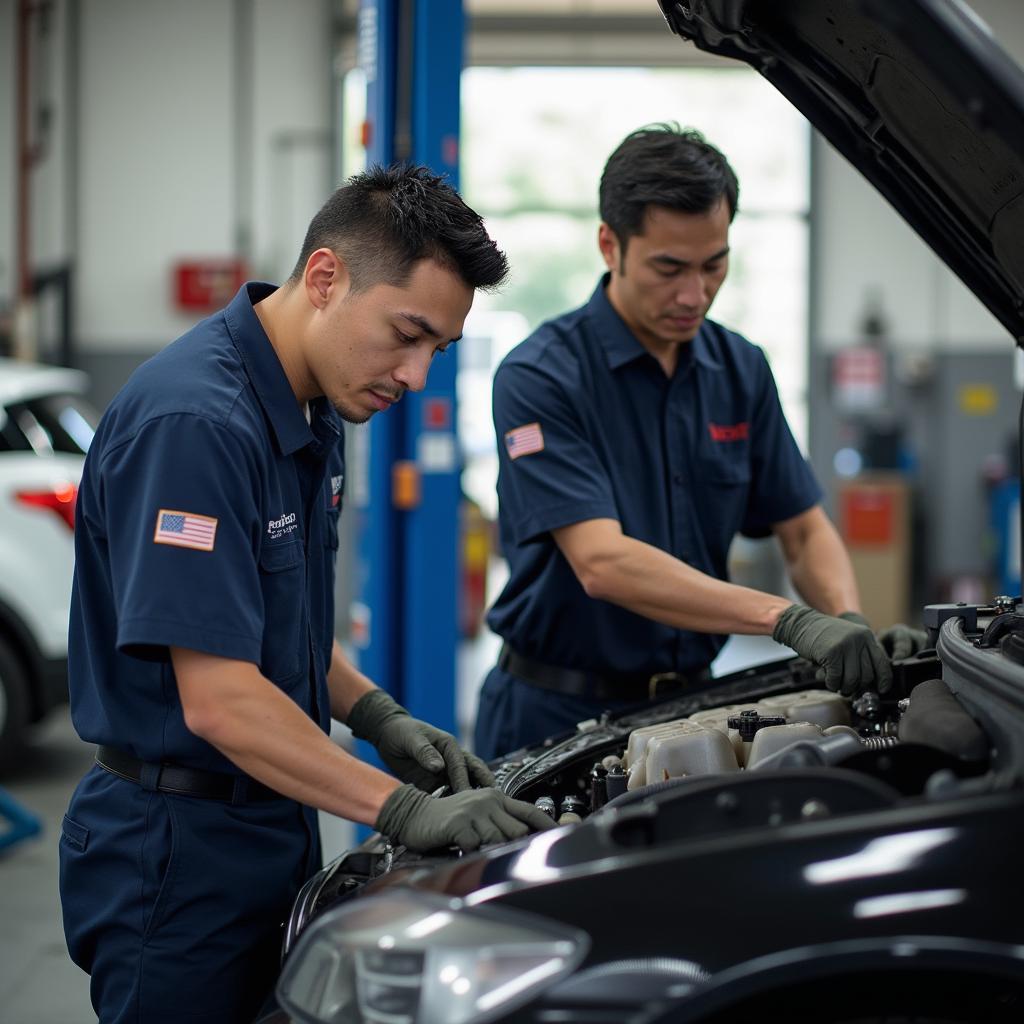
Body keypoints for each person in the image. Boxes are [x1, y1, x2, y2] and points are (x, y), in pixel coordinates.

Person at [58, 164, 554, 1024]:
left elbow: (268, 631)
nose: (416, 376)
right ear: (325, 277)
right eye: (406, 334)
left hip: (266, 823)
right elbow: (218, 698)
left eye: (436, 349)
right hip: (173, 853)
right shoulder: (197, 424)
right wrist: (400, 809)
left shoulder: (313, 408)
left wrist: (379, 716)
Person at [474, 125, 920, 762]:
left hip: (697, 710)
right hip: (555, 715)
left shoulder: (740, 369)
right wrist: (788, 620)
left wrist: (846, 620)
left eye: (714, 264)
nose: (694, 294)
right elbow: (602, 563)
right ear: (610, 245)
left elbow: (802, 530)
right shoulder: (541, 377)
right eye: (669, 268)